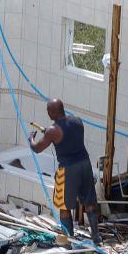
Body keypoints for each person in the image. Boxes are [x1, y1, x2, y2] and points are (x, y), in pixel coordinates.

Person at [28, 98, 102, 244]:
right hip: (85, 165)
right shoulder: (77, 121)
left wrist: (31, 139)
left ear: (54, 111)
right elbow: (69, 137)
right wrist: (49, 133)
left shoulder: (52, 131)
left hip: (69, 170)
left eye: (49, 110)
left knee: (64, 206)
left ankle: (68, 240)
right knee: (89, 202)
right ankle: (96, 236)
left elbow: (37, 148)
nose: (47, 112)